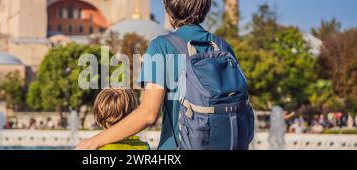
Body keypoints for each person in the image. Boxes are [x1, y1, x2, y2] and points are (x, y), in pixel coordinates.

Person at [77, 0, 252, 150]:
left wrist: (94, 142)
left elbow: (148, 114)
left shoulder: (162, 46)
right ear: (205, 8)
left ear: (168, 9)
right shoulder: (222, 46)